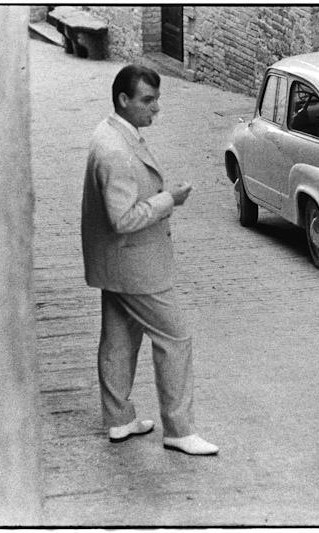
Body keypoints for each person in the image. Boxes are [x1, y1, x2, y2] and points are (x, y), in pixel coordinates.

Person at [81, 64, 218, 455]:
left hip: (115, 263)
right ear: (124, 100)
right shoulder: (116, 151)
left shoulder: (110, 132)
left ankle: (119, 419)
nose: (155, 108)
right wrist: (168, 200)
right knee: (176, 336)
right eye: (147, 100)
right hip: (135, 263)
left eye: (156, 99)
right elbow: (123, 218)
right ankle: (179, 428)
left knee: (120, 337)